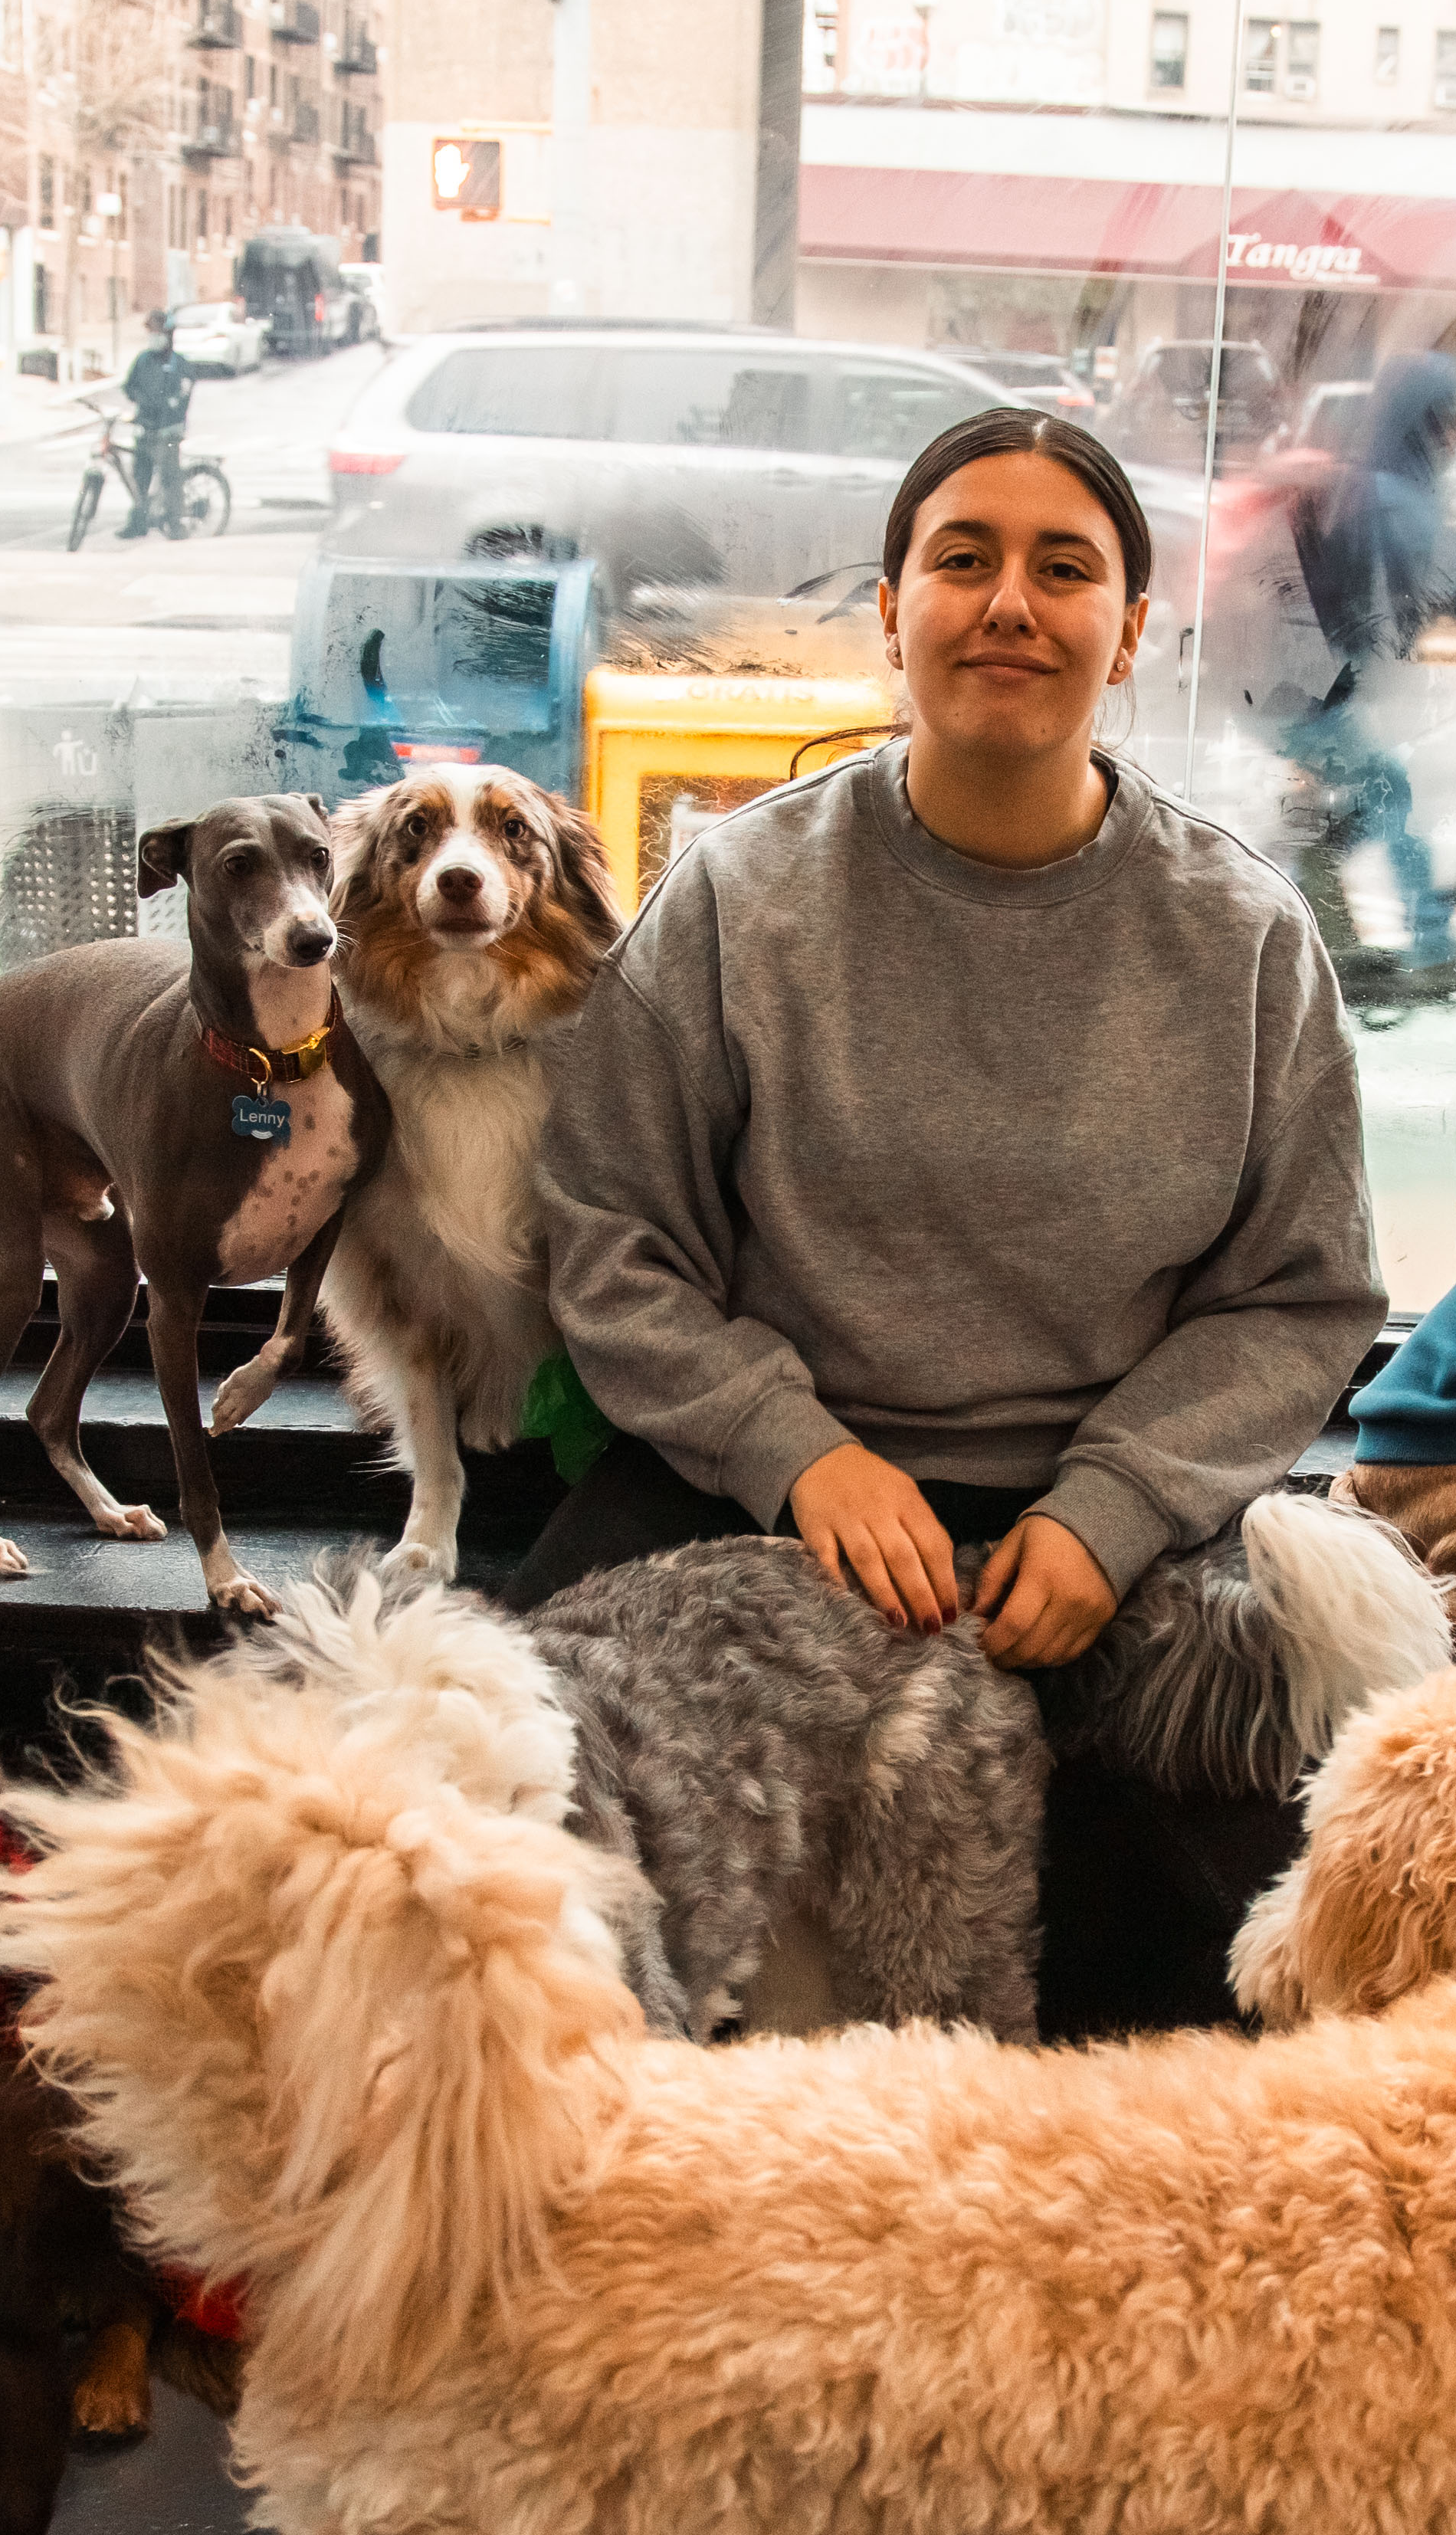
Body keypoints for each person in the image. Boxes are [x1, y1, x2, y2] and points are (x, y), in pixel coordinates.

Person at [516, 406, 1384, 2009]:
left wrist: (1111, 1508)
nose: (1008, 605)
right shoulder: (737, 897)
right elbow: (612, 1241)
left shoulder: (1246, 937)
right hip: (763, 1490)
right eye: (962, 560)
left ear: (1130, 629)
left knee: (1235, 1958)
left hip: (1112, 1518)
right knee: (529, 1859)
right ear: (890, 612)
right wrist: (798, 1454)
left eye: (1064, 569)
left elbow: (1301, 1294)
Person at [1285, 348, 1456, 963]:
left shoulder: (1387, 484)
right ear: (1425, 423)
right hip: (1302, 689)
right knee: (1392, 792)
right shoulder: (1392, 498)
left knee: (1352, 813)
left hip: (1307, 684)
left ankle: (1317, 937)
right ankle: (1431, 947)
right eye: (1450, 421)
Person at [118, 311, 201, 540]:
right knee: (140, 478)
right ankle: (138, 523)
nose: (153, 336)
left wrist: (166, 408)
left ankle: (176, 524)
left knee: (170, 477)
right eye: (151, 332)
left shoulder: (179, 364)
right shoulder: (143, 360)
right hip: (145, 428)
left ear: (168, 334)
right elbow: (129, 386)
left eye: (157, 332)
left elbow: (182, 397)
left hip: (169, 431)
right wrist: (140, 399)